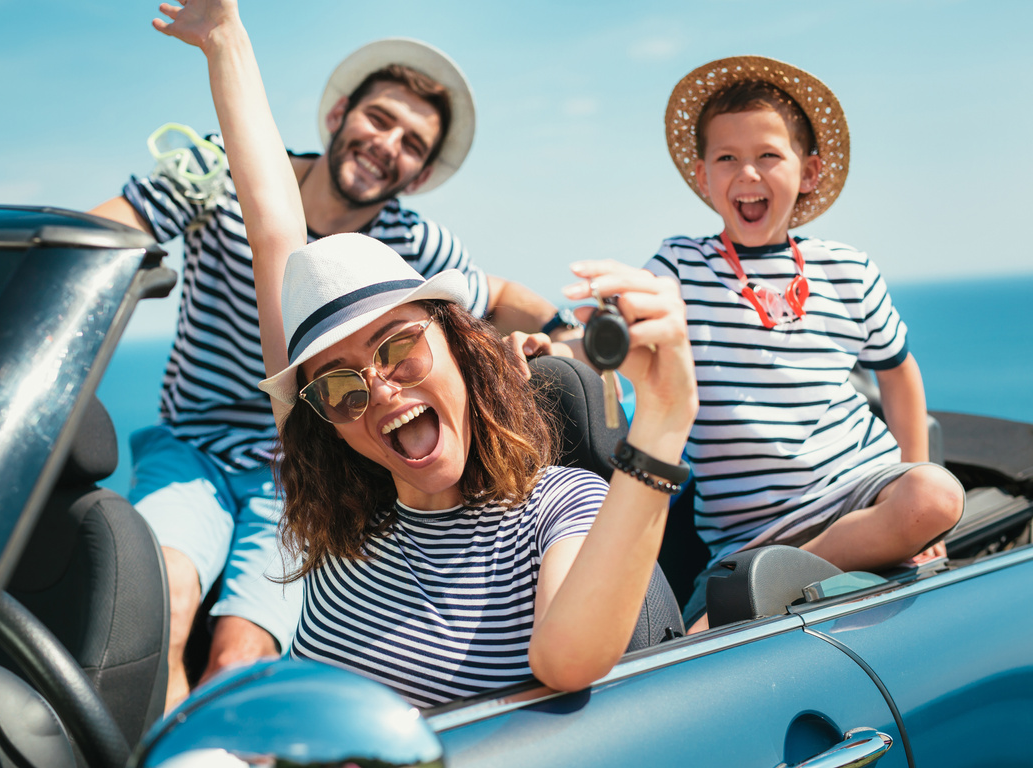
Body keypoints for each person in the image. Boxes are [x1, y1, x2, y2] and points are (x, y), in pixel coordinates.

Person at [151, 0, 698, 707]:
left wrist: (660, 425)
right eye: (340, 387)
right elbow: (275, 228)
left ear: (463, 349)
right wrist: (225, 42)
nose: (375, 389)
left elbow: (566, 660)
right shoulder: (343, 518)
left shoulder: (559, 506)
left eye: (400, 347)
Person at [90, 26, 573, 711]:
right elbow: (108, 237)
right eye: (380, 119)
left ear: (422, 174)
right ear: (337, 114)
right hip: (195, 445)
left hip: (300, 455)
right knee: (160, 607)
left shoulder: (410, 240)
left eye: (412, 144)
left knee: (242, 653)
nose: (387, 146)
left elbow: (492, 294)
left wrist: (561, 333)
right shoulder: (214, 177)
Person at [649, 56, 964, 632]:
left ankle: (791, 574)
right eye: (727, 158)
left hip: (857, 495)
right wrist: (577, 332)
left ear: (809, 171)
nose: (747, 172)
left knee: (935, 496)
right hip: (745, 537)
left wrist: (912, 465)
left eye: (768, 155)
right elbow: (636, 307)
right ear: (703, 178)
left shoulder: (846, 268)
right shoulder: (682, 264)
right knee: (676, 652)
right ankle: (773, 574)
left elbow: (898, 372)